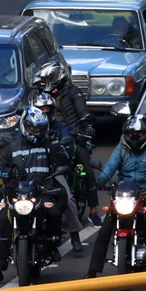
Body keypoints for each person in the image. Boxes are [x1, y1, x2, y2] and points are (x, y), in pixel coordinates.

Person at [0, 106, 69, 286]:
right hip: (16, 195)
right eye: (33, 128)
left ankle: (52, 246)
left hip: (43, 191)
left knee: (54, 212)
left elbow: (63, 161)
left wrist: (56, 145)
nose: (36, 131)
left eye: (39, 128)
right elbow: (0, 168)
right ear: (25, 126)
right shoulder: (11, 147)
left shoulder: (48, 145)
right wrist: (12, 174)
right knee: (1, 221)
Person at [85, 115, 146, 278]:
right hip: (124, 194)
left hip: (144, 192)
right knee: (105, 230)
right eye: (131, 134)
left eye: (138, 134)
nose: (134, 137)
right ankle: (92, 271)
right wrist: (102, 179)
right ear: (125, 134)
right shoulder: (121, 150)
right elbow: (110, 166)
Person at [34, 60, 100, 225]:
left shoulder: (73, 92)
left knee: (86, 168)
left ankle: (93, 210)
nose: (45, 83)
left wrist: (87, 127)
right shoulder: (41, 96)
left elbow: (83, 112)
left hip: (72, 137)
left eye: (48, 79)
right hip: (46, 136)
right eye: (43, 80)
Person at [32, 91, 85, 252]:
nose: (45, 113)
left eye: (48, 109)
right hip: (31, 171)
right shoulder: (27, 127)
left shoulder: (61, 128)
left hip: (53, 171)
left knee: (68, 199)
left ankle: (75, 236)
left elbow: (67, 152)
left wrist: (55, 143)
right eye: (41, 110)